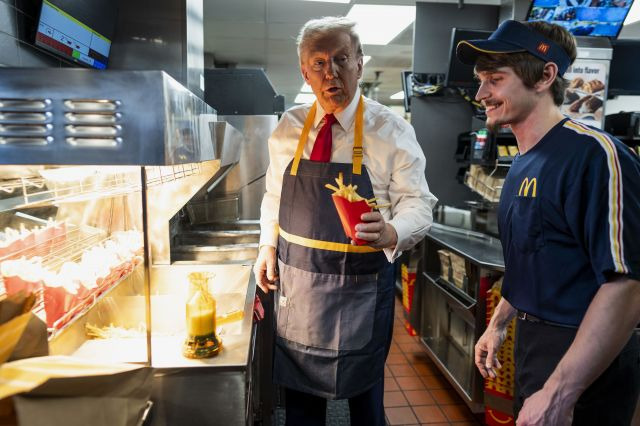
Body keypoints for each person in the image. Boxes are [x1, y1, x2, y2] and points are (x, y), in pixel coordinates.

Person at [253, 16, 436, 426]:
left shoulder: (391, 130)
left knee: (366, 407)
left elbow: (419, 205)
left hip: (362, 291)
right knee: (301, 409)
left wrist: (391, 231)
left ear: (359, 63)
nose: (330, 72)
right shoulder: (289, 128)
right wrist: (267, 245)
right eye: (318, 63)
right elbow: (276, 196)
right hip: (299, 290)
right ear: (305, 71)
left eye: (341, 59)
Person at [456, 20, 640, 425]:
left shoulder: (595, 156)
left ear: (545, 75)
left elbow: (626, 285)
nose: (481, 94)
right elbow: (536, 260)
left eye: (495, 80)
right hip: (534, 345)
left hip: (586, 361)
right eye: (481, 81)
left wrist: (559, 394)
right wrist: (499, 323)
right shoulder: (522, 164)